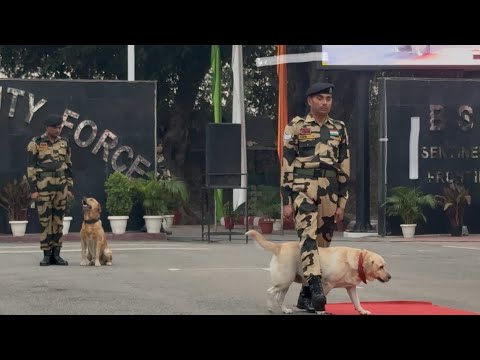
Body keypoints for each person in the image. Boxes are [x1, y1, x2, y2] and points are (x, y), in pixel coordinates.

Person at [281, 82, 350, 312]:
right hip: (303, 188)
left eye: (328, 99)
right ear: (309, 101)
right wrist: (286, 200)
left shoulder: (339, 128)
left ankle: (305, 297)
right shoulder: (295, 126)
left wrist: (342, 202)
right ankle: (317, 288)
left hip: (330, 190)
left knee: (323, 244)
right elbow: (287, 164)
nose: (324, 102)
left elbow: (344, 166)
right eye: (319, 98)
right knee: (308, 239)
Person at [26, 114, 73, 266]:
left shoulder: (64, 143)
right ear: (47, 127)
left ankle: (57, 254)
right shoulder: (36, 143)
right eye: (55, 127)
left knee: (58, 222)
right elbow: (30, 168)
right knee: (45, 221)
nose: (58, 130)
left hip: (61, 187)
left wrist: (69, 186)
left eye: (60, 127)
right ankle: (46, 255)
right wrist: (33, 189)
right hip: (43, 188)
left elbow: (68, 166)